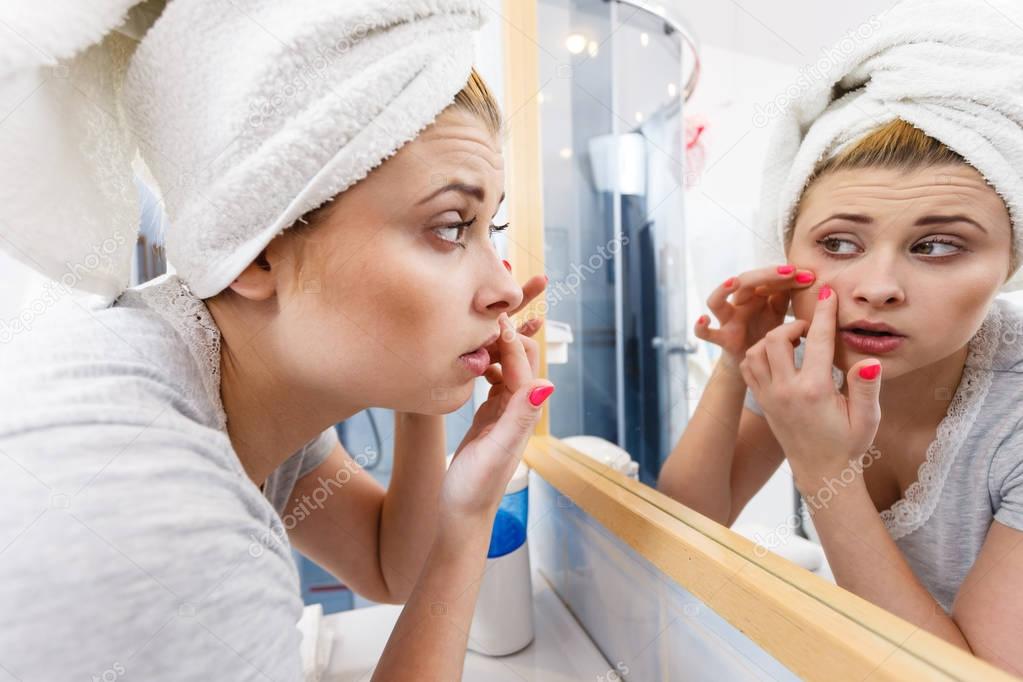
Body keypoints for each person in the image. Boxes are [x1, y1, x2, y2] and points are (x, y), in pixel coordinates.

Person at [0, 1, 553, 679]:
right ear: (258, 253)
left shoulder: (223, 380)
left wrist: (464, 494)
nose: (503, 284)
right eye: (448, 225)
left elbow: (389, 567)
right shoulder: (151, 510)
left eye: (488, 229)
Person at [659, 0, 1023, 672]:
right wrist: (736, 364)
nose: (877, 285)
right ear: (787, 245)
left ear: (1009, 262)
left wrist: (824, 467)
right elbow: (682, 530)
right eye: (838, 242)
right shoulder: (809, 359)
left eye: (938, 245)